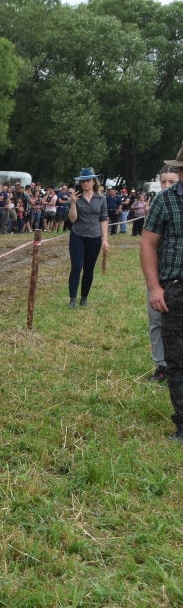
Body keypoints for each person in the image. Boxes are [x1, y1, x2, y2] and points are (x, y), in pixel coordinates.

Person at [141, 142, 183, 442]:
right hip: (175, 288)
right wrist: (155, 288)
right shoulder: (164, 201)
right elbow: (147, 245)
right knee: (177, 358)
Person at [146, 164, 179, 382]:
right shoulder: (160, 204)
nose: (166, 185)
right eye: (163, 181)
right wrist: (153, 284)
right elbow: (147, 244)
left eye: (171, 182)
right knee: (156, 320)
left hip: (178, 273)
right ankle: (161, 365)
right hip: (159, 273)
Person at [67, 168, 109, 309]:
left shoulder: (101, 199)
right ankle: (73, 298)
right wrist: (73, 203)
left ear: (93, 182)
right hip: (78, 235)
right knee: (77, 266)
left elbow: (103, 219)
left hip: (94, 236)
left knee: (89, 268)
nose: (85, 183)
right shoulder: (76, 197)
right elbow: (73, 219)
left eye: (88, 180)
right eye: (83, 180)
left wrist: (105, 239)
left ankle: (84, 297)